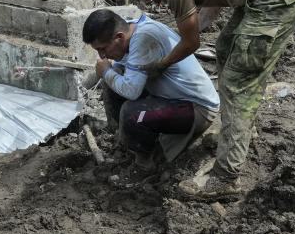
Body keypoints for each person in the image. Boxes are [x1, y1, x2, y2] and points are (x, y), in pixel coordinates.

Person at [121, 0, 295, 200]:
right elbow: (213, 4)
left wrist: (161, 64)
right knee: (225, 48)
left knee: (237, 82)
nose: (148, 1)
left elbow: (191, 43)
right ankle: (241, 129)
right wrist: (180, 37)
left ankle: (225, 179)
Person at [82, 9, 219, 169]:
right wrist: (113, 71)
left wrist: (106, 72)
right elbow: (124, 66)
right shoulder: (131, 30)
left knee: (131, 113)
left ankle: (144, 164)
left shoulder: (144, 38)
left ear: (119, 37)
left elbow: (131, 92)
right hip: (172, 99)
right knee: (113, 81)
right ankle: (124, 139)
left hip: (197, 108)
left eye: (103, 49)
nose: (102, 56)